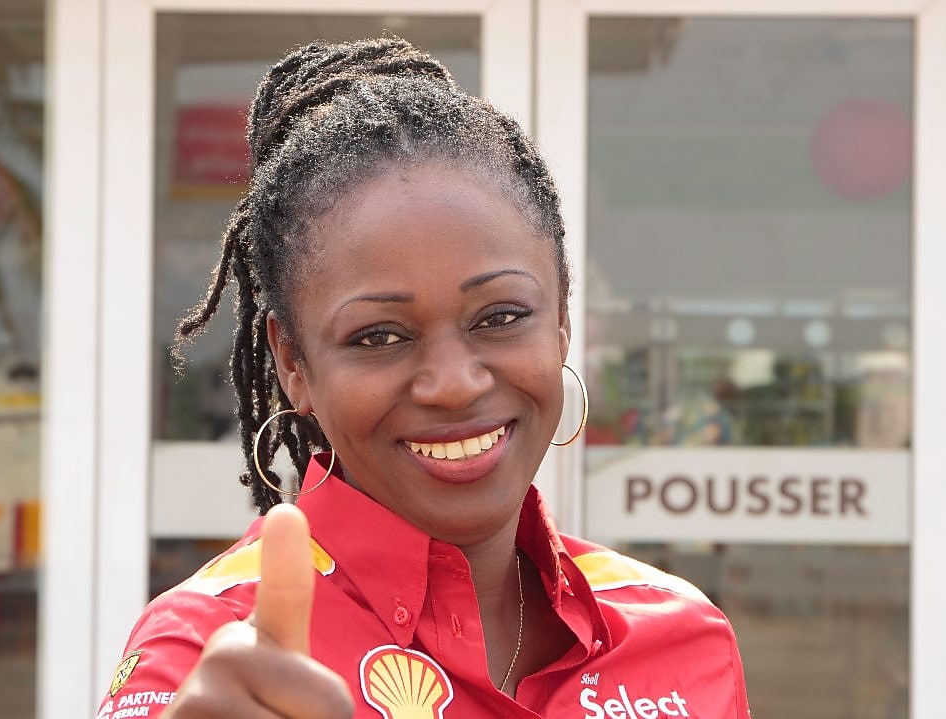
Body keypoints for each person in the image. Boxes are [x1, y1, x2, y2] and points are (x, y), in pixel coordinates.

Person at [96, 37, 750, 719]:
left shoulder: (681, 640)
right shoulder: (209, 658)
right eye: (379, 336)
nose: (455, 382)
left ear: (560, 320)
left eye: (500, 316)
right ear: (294, 363)